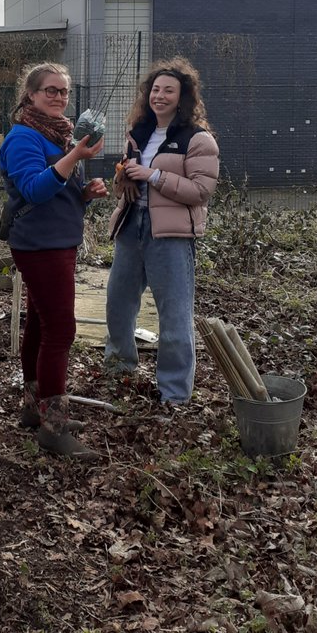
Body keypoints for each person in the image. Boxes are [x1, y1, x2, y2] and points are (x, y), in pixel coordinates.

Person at [0, 62, 108, 458]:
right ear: (30, 95)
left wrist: (86, 194)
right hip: (40, 246)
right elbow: (32, 189)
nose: (60, 97)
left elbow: (59, 193)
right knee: (61, 330)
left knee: (41, 325)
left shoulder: (58, 134)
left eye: (64, 91)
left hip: (56, 240)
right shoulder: (23, 137)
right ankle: (54, 427)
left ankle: (35, 407)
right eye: (50, 90)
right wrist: (74, 156)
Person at [104, 57, 219, 408]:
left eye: (169, 90)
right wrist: (123, 177)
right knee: (118, 304)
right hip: (131, 228)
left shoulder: (198, 140)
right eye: (155, 89)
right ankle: (119, 369)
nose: (160, 96)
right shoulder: (138, 133)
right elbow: (129, 177)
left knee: (174, 315)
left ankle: (174, 392)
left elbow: (201, 191)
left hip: (170, 236)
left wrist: (152, 176)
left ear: (183, 97)